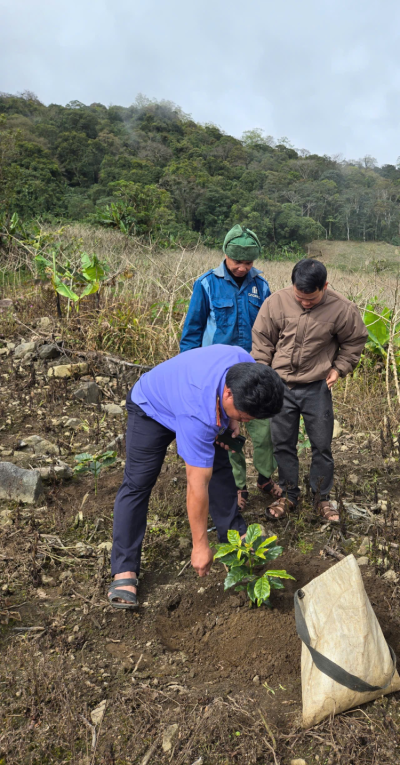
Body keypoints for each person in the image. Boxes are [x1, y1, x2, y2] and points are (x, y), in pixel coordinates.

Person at [108, 345, 284, 609]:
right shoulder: (198, 416)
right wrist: (200, 545)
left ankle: (235, 537)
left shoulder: (244, 364)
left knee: (221, 468)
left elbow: (234, 408)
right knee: (138, 483)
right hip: (152, 406)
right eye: (245, 416)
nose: (246, 421)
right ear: (228, 394)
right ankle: (124, 568)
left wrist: (234, 419)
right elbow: (196, 485)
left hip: (202, 400)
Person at [252, 258, 368, 523]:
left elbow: (355, 340)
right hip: (280, 386)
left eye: (311, 300)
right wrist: (264, 373)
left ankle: (321, 498)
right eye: (299, 297)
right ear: (292, 285)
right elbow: (262, 341)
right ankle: (289, 494)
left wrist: (339, 368)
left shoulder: (342, 308)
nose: (304, 303)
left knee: (321, 445)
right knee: (282, 443)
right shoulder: (275, 303)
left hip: (316, 387)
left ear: (325, 286)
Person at [180, 224, 281, 510]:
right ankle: (238, 486)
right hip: (218, 375)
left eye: (248, 262)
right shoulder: (206, 284)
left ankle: (264, 477)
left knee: (263, 430)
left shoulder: (260, 286)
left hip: (254, 369)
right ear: (226, 255)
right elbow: (192, 331)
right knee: (227, 432)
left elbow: (270, 329)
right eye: (238, 262)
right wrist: (191, 371)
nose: (242, 267)